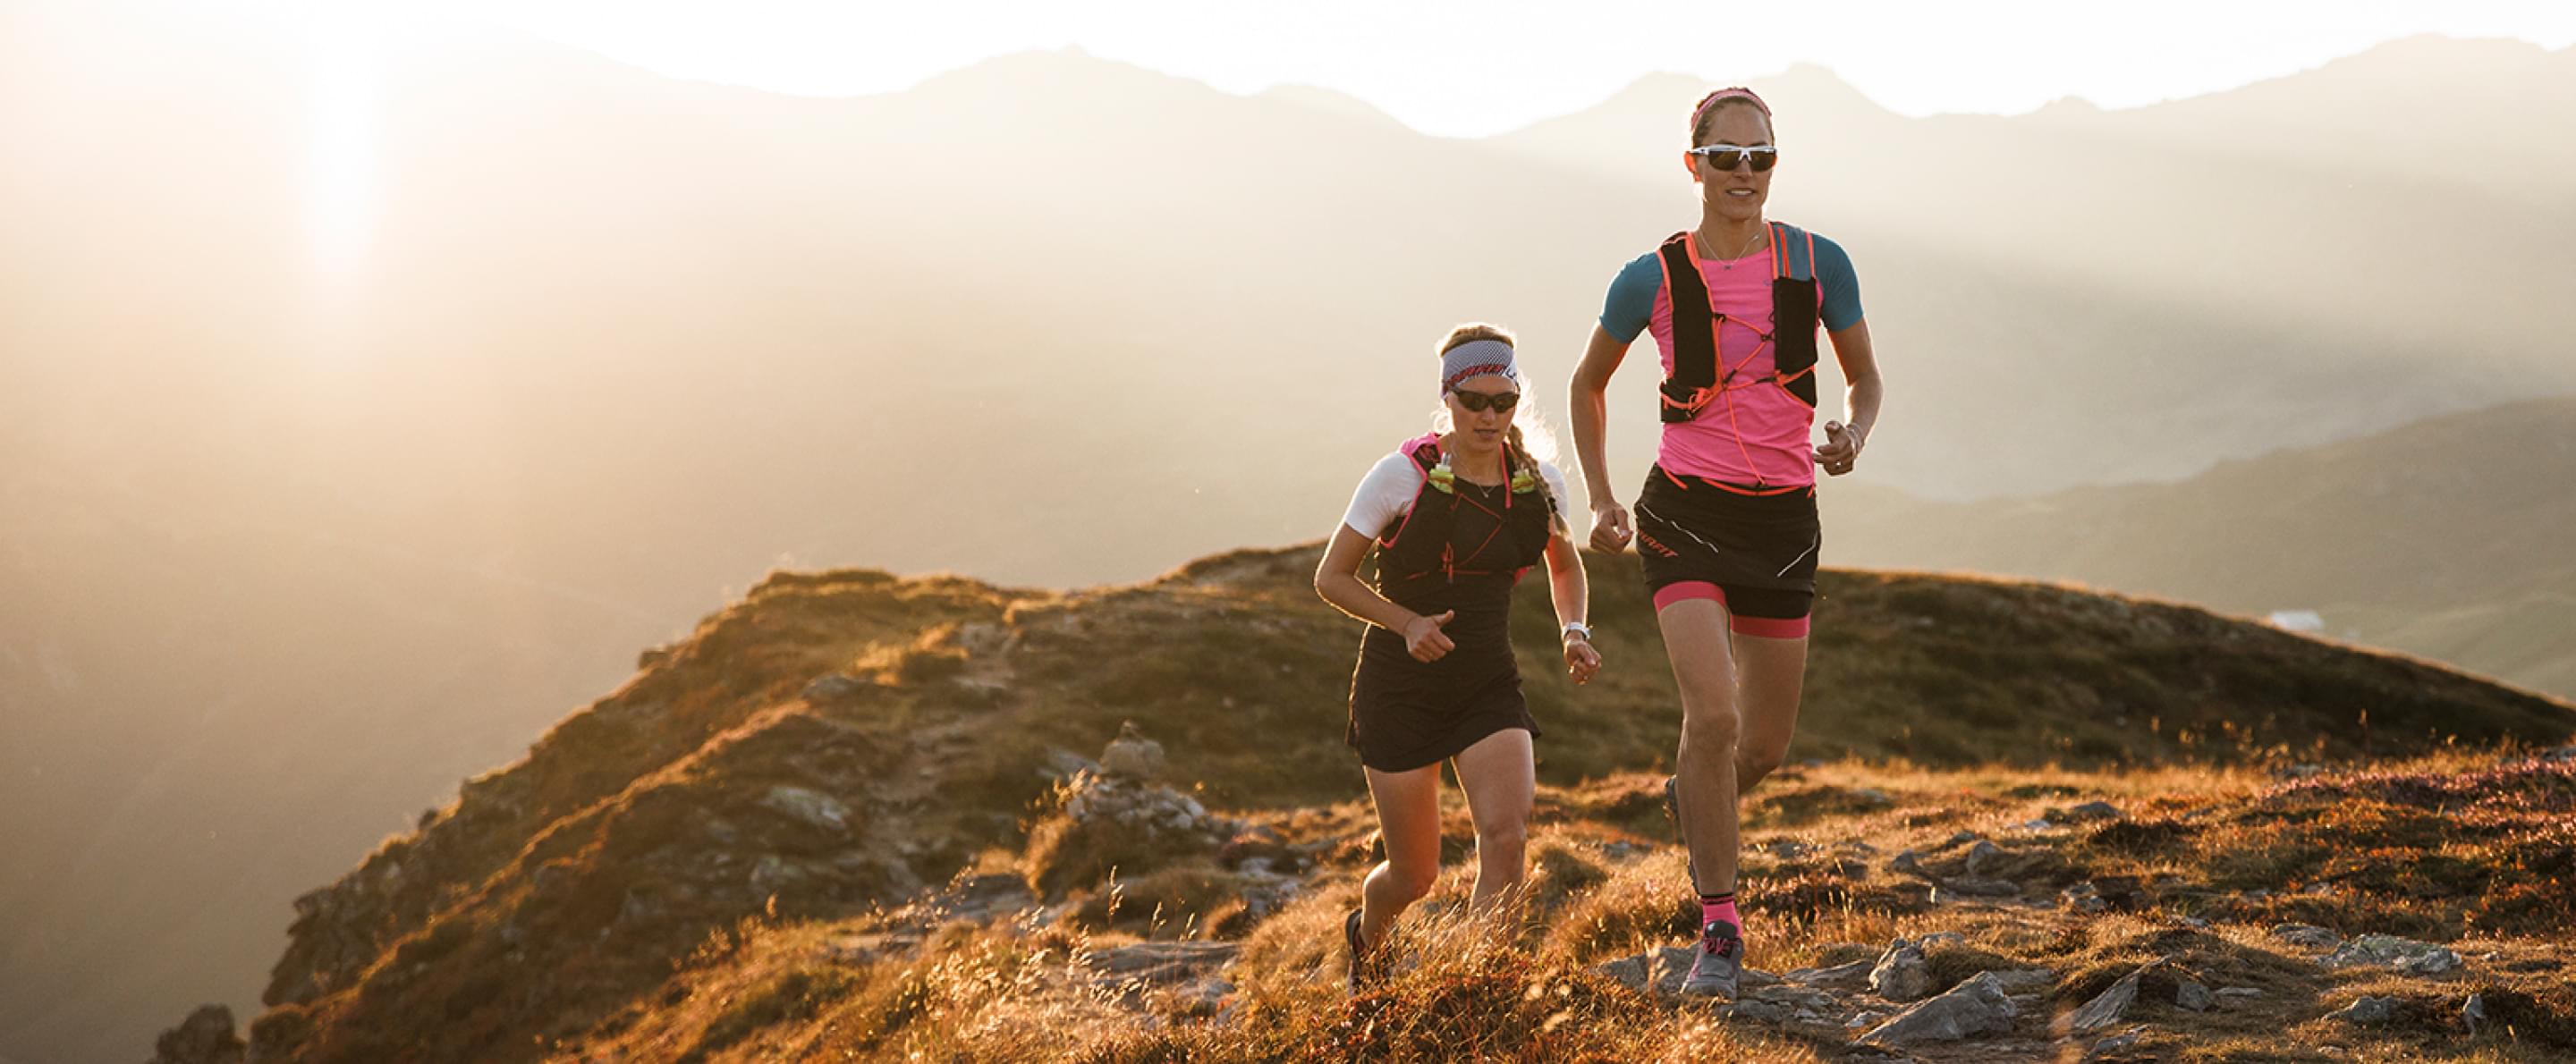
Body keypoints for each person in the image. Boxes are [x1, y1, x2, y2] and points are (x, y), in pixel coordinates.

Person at [1566, 86, 1883, 998]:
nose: (1743, 173)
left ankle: (1696, 795)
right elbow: (1589, 385)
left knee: (1763, 746)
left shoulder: (1820, 263)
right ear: (1692, 163)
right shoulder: (1652, 277)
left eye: (1761, 157)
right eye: (1725, 156)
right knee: (1712, 717)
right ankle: (1719, 925)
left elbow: (1864, 382)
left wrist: (1850, 440)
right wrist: (1602, 497)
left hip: (1783, 521)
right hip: (1684, 516)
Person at [1315, 323, 1602, 990]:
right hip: (1399, 686)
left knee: (1507, 835)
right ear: (1448, 398)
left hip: (1487, 683)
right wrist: (1406, 621)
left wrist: (1575, 631)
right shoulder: (1399, 477)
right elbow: (1331, 577)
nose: (1490, 416)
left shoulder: (1538, 482)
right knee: (1414, 875)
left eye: (1504, 401)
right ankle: (1367, 938)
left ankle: (1476, 991)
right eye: (1476, 401)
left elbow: (1566, 567)